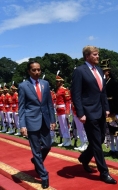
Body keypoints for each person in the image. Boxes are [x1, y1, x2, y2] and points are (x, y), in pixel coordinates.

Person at [71, 45, 117, 184]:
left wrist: (106, 107)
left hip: (101, 111)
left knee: (101, 138)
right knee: (97, 142)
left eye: (98, 54)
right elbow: (76, 93)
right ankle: (104, 172)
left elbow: (102, 91)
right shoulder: (79, 71)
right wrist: (80, 113)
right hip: (88, 112)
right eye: (95, 54)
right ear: (87, 56)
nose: (98, 57)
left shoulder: (99, 70)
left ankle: (84, 158)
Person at [18, 61, 56, 189]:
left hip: (45, 120)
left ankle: (36, 161)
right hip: (31, 121)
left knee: (47, 145)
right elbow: (21, 107)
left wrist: (53, 120)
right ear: (29, 71)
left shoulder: (45, 84)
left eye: (39, 70)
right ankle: (44, 175)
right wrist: (22, 125)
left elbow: (49, 104)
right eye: (34, 70)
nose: (37, 72)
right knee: (36, 150)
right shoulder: (23, 86)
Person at [100, 59, 118, 158]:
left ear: (108, 71)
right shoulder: (101, 82)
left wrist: (117, 111)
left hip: (113, 108)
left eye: (104, 70)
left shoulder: (113, 82)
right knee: (108, 132)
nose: (103, 72)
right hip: (105, 109)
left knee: (116, 131)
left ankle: (117, 150)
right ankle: (112, 149)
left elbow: (117, 98)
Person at [55, 74, 72, 147]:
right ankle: (65, 140)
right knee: (62, 126)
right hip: (59, 109)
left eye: (58, 82)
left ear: (61, 82)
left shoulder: (64, 90)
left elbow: (68, 101)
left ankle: (68, 140)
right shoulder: (58, 90)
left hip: (63, 109)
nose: (56, 83)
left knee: (65, 125)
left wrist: (67, 110)